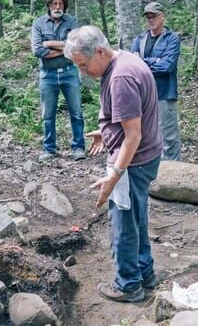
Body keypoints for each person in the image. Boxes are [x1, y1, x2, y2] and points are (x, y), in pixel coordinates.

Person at [64, 26, 162, 302]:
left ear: (99, 51)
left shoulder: (120, 78)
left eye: (83, 65)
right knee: (136, 217)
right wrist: (106, 131)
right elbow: (129, 119)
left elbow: (133, 135)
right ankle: (145, 274)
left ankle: (128, 285)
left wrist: (115, 175)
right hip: (145, 158)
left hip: (132, 161)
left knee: (123, 223)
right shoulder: (125, 59)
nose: (83, 72)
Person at [31, 0, 85, 162]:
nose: (57, 6)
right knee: (48, 114)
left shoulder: (72, 21)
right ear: (48, 5)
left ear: (65, 5)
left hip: (70, 73)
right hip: (48, 75)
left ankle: (78, 147)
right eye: (54, 3)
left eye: (60, 3)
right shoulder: (39, 24)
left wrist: (50, 43)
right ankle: (49, 148)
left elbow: (76, 46)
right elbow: (37, 50)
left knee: (76, 112)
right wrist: (64, 48)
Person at [131, 2, 181, 161]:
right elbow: (133, 64)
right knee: (147, 135)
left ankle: (173, 172)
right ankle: (153, 172)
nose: (151, 20)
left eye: (154, 16)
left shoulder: (172, 39)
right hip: (144, 94)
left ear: (162, 17)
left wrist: (143, 62)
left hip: (164, 93)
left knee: (168, 136)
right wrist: (155, 61)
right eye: (148, 17)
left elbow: (167, 66)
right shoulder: (140, 39)